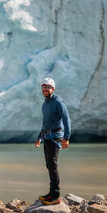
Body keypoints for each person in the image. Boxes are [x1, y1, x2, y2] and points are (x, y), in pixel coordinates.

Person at [35, 77, 71, 205]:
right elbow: (46, 123)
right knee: (49, 165)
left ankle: (55, 195)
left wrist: (66, 138)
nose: (45, 89)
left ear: (53, 89)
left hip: (56, 137)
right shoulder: (45, 104)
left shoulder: (57, 102)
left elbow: (66, 119)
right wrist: (40, 137)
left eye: (48, 87)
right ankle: (51, 193)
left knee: (53, 165)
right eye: (43, 87)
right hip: (47, 137)